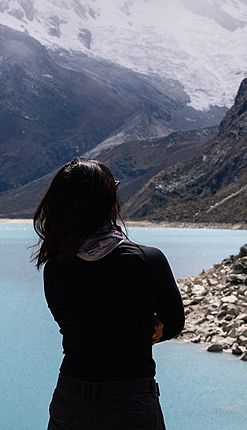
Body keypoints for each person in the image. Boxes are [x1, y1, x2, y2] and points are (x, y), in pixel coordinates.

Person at [33, 158, 185, 429]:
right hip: (130, 400)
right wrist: (140, 329)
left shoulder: (54, 267)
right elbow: (173, 323)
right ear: (107, 203)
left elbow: (79, 322)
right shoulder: (147, 260)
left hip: (69, 401)